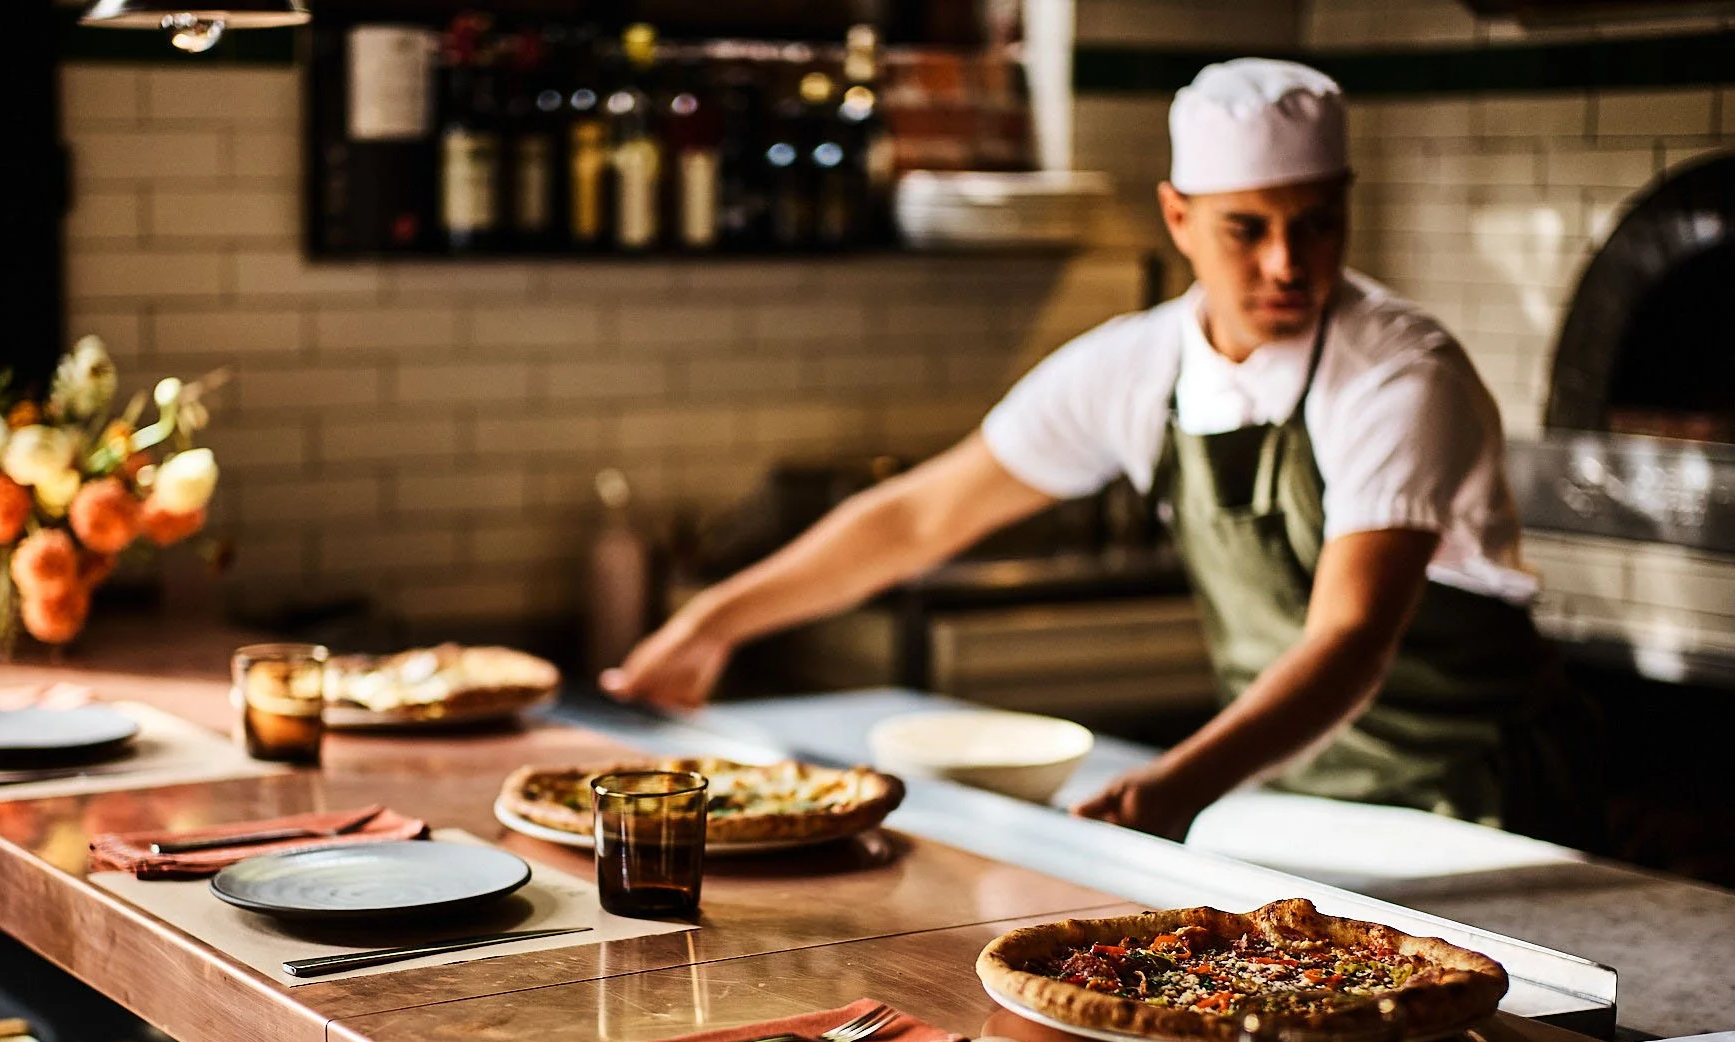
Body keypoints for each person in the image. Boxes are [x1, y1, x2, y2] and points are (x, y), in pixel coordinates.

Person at [604, 58, 1600, 846]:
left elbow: (1349, 642)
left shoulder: (1396, 374)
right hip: (1286, 791)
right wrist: (711, 621)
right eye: (1244, 229)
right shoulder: (1136, 369)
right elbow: (918, 516)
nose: (1285, 263)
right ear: (1176, 219)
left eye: (1315, 224)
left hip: (1470, 808)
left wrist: (1177, 785)